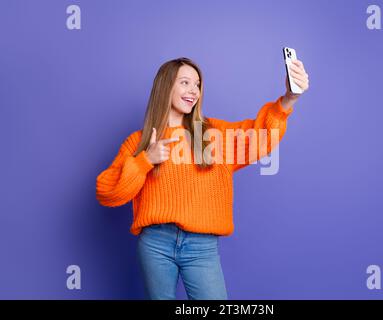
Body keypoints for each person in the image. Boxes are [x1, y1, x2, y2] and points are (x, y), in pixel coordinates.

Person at [96, 57, 309, 300]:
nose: (193, 91)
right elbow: (107, 192)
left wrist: (288, 99)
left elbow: (260, 137)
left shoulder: (213, 136)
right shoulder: (140, 141)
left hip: (202, 247)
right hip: (156, 243)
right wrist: (145, 160)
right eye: (185, 82)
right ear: (166, 86)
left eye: (197, 84)